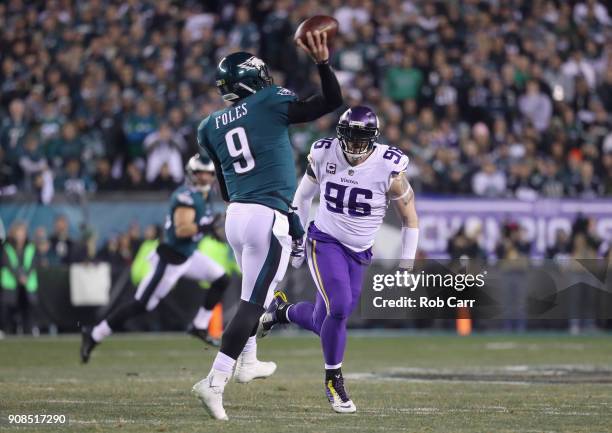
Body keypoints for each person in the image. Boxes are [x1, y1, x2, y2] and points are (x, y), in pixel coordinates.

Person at [192, 30, 343, 420]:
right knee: (252, 303)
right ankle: (215, 380)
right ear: (248, 79)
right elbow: (330, 102)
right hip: (264, 216)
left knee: (255, 289)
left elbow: (225, 188)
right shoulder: (269, 101)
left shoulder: (208, 126)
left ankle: (248, 362)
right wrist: (322, 63)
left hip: (237, 216)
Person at [258, 106, 419, 413]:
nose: (356, 145)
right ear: (340, 134)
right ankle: (334, 380)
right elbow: (302, 197)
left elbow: (410, 219)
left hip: (360, 251)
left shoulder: (390, 167)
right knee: (341, 307)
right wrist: (298, 239)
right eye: (351, 137)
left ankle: (281, 312)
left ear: (372, 138)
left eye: (362, 139)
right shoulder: (323, 154)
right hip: (325, 241)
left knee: (327, 321)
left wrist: (406, 265)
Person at [80, 155, 239, 364]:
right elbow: (183, 230)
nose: (206, 178)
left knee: (221, 279)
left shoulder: (206, 194)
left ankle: (200, 326)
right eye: (201, 173)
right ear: (192, 174)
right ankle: (94, 334)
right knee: (141, 305)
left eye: (209, 174)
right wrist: (208, 227)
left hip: (189, 255)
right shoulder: (185, 196)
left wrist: (209, 230)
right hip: (170, 260)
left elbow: (199, 226)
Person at [1, 221, 39, 335]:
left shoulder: (30, 246)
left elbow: (32, 263)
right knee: (7, 307)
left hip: (28, 284)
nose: (21, 236)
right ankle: (5, 329)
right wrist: (19, 276)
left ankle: (30, 329)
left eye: (23, 233)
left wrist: (25, 277)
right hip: (11, 284)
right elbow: (7, 262)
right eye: (18, 233)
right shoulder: (7, 247)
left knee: (29, 306)